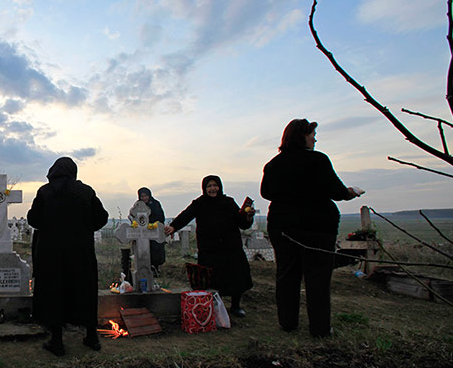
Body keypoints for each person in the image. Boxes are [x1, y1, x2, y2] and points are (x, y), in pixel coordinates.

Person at [261, 119, 363, 337]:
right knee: (317, 278)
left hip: (282, 227)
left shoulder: (272, 165)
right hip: (316, 227)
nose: (315, 139)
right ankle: (320, 328)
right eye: (312, 134)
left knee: (287, 275)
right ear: (301, 136)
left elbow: (266, 193)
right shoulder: (318, 160)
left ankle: (288, 322)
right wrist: (349, 192)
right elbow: (336, 191)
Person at [27, 157, 109, 356]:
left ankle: (57, 341)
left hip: (51, 253)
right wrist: (83, 229)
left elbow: (33, 219)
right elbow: (102, 217)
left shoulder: (45, 192)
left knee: (53, 293)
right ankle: (91, 337)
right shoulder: (86, 192)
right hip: (80, 252)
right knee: (84, 290)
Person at [165, 175, 255, 317]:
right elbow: (186, 215)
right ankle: (210, 307)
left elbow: (242, 223)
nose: (212, 189)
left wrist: (248, 216)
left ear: (220, 187)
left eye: (215, 185)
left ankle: (236, 306)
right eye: (209, 186)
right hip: (209, 249)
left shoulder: (229, 202)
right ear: (204, 188)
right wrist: (173, 227)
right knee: (210, 280)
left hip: (231, 248)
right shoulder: (199, 203)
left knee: (235, 277)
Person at [138, 187, 166, 276]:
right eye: (142, 196)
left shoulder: (155, 204)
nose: (144, 198)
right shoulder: (138, 205)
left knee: (156, 251)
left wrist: (154, 224)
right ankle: (145, 268)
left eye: (146, 196)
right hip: (142, 232)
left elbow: (161, 217)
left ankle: (156, 268)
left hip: (154, 231)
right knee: (145, 250)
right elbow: (135, 216)